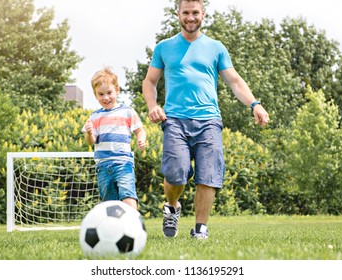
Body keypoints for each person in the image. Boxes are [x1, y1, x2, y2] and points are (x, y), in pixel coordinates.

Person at [142, 0, 269, 239]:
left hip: (209, 119)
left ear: (203, 14)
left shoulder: (216, 47)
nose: (190, 17)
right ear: (178, 14)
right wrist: (153, 105)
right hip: (175, 119)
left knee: (208, 174)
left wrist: (255, 104)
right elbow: (149, 81)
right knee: (175, 173)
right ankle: (172, 207)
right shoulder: (164, 47)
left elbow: (234, 81)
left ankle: (200, 228)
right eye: (186, 13)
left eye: (195, 13)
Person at [83, 67, 146, 210]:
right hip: (103, 166)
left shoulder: (127, 111)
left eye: (109, 93)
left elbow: (140, 130)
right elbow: (91, 141)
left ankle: (132, 225)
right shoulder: (94, 116)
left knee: (128, 195)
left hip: (123, 163)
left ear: (117, 90)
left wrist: (141, 139)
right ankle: (114, 230)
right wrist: (88, 133)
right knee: (109, 203)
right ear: (95, 95)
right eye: (101, 94)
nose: (106, 97)